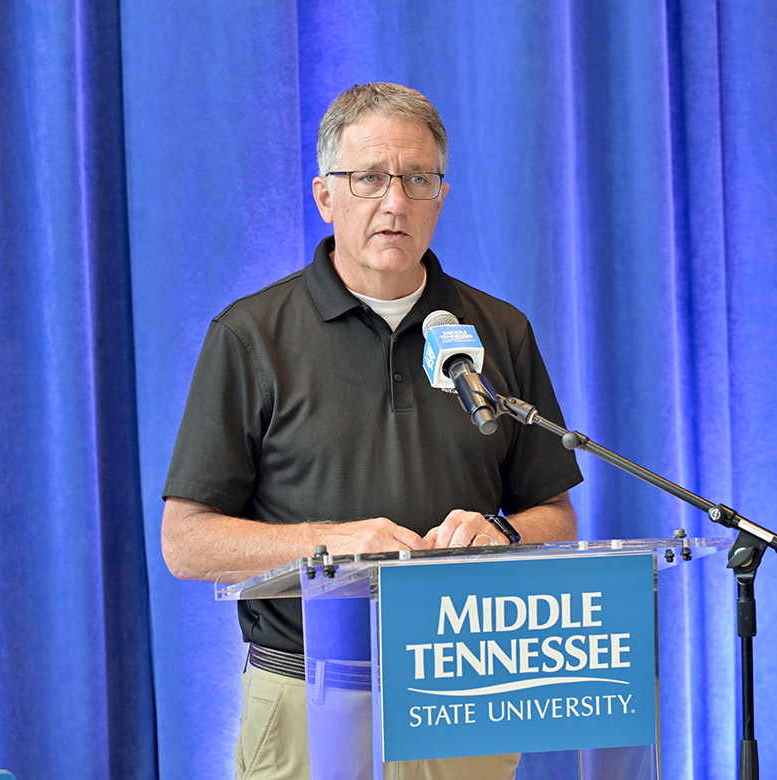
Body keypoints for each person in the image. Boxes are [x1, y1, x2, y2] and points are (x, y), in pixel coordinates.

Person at [161, 82, 583, 780]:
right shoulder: (251, 336)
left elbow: (555, 516)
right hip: (307, 694)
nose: (395, 203)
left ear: (441, 194)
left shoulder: (499, 332)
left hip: (465, 689)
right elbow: (186, 542)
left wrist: (502, 532)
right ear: (326, 197)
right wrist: (331, 545)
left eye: (418, 179)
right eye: (369, 179)